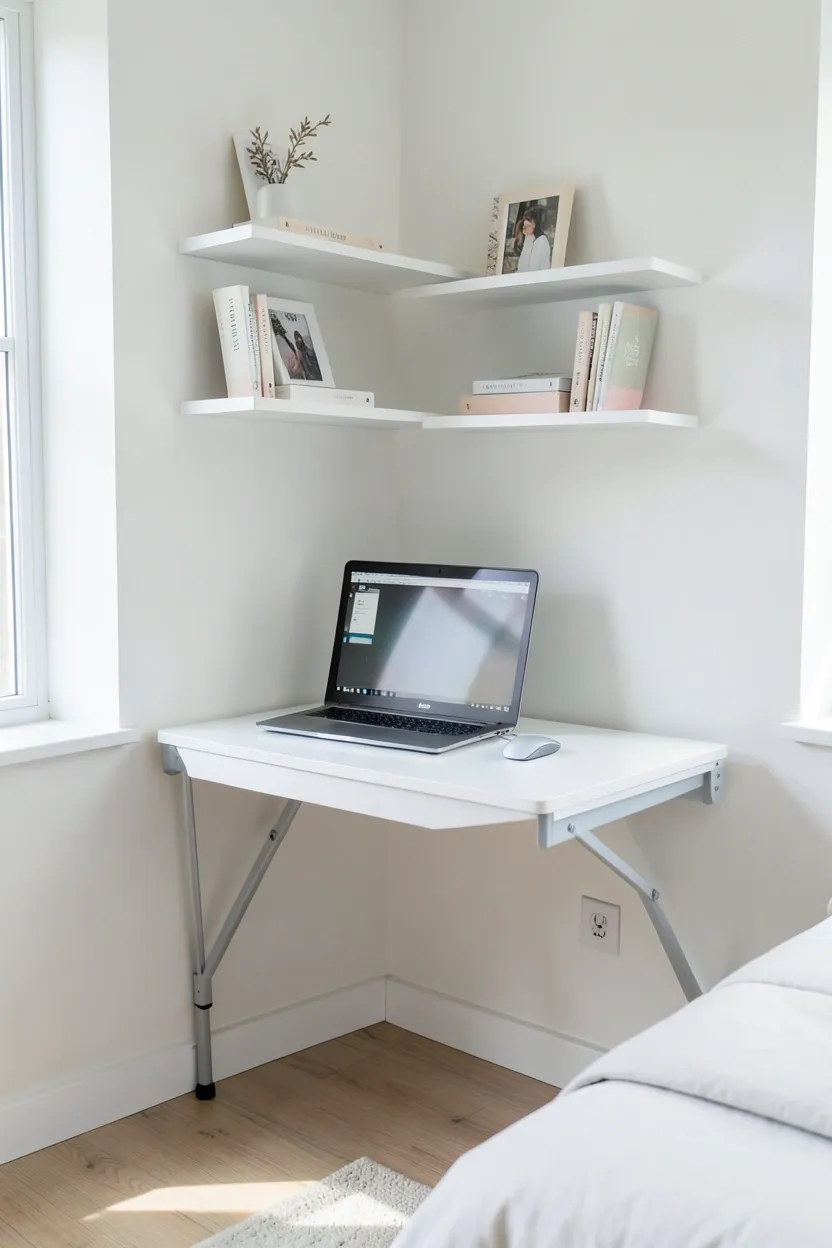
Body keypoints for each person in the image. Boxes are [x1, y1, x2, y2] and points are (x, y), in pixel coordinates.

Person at [516, 204, 552, 272]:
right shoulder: (529, 239)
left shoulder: (541, 242)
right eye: (525, 219)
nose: (525, 222)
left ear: (537, 223)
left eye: (529, 220)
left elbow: (534, 270)